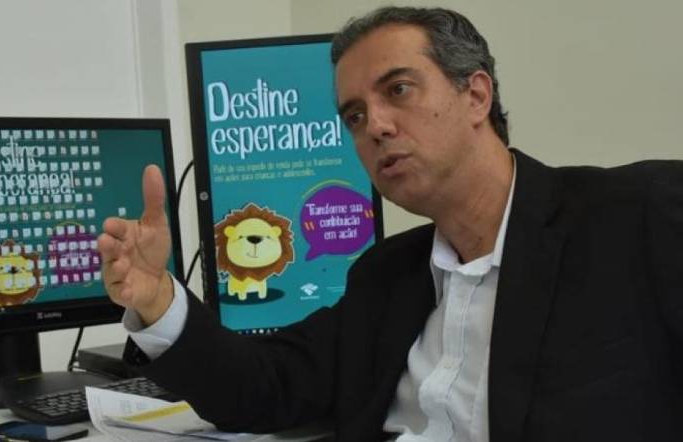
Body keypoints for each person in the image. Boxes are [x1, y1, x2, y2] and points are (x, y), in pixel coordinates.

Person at [98, 6, 683, 442]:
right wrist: (157, 299)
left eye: (398, 90)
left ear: (476, 95)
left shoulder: (639, 216)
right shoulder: (387, 275)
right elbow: (264, 387)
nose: (374, 126)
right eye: (354, 115)